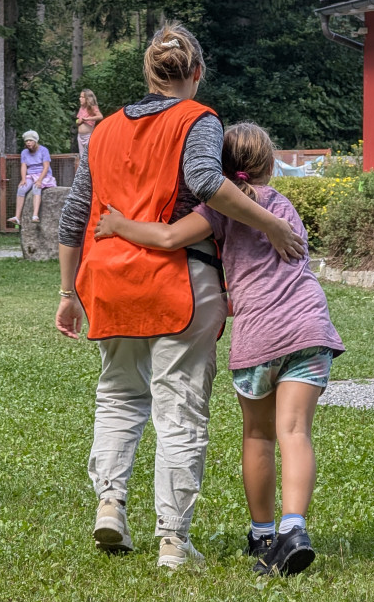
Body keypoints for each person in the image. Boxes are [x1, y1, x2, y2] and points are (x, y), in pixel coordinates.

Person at [55, 21, 306, 570]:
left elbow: (75, 214)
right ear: (196, 72)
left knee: (118, 395)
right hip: (178, 283)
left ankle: (110, 504)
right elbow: (207, 182)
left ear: (148, 72)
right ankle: (172, 539)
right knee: (180, 408)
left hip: (108, 281)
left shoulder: (104, 130)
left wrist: (68, 292)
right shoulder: (198, 119)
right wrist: (272, 224)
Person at [95, 122, 344, 576]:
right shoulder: (283, 206)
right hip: (308, 328)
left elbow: (168, 238)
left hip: (260, 336)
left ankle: (262, 534)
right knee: (296, 432)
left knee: (259, 435)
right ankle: (293, 529)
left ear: (216, 168)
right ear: (270, 166)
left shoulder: (217, 210)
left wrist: (117, 225)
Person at [9, 130, 57, 226]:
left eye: (30, 141)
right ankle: (17, 217)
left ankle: (35, 215)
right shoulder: (24, 152)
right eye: (27, 141)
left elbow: (46, 166)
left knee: (36, 187)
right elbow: (23, 166)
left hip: (43, 175)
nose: (28, 143)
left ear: (35, 141)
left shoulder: (43, 150)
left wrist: (39, 180)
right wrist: (23, 179)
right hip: (31, 175)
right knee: (21, 189)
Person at [76, 89, 103, 159]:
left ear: (87, 98)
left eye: (82, 97)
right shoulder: (81, 108)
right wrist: (79, 121)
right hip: (80, 136)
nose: (80, 99)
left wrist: (87, 119)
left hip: (88, 136)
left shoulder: (92, 107)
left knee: (89, 155)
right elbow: (78, 121)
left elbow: (100, 116)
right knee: (82, 157)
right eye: (80, 97)